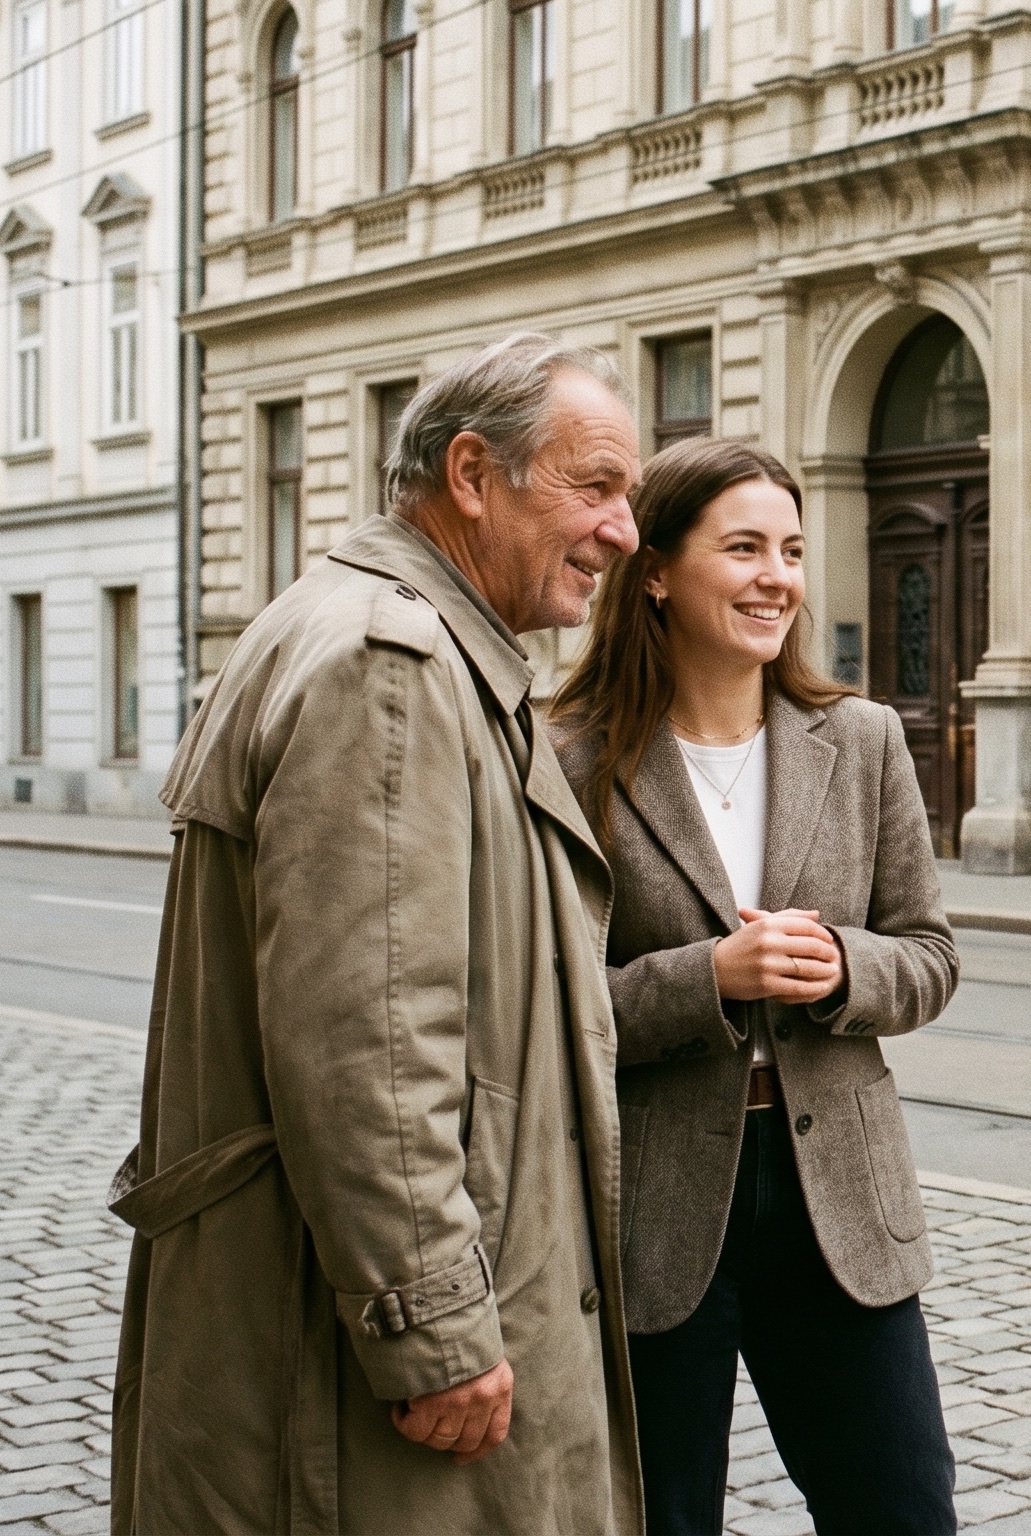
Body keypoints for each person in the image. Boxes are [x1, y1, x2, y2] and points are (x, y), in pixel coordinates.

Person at [109, 334, 647, 1535]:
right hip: (349, 1351)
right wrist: (434, 1323)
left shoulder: (386, 634)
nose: (622, 533)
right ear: (472, 474)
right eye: (597, 487)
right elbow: (369, 1039)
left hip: (320, 1303)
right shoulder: (389, 665)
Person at [555, 439, 958, 1536]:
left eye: (788, 548)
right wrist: (708, 979)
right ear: (654, 571)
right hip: (653, 1205)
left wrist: (842, 968)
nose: (777, 575)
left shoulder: (860, 740)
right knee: (661, 1516)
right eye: (741, 548)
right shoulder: (569, 758)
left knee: (902, 1512)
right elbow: (543, 1006)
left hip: (836, 1198)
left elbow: (928, 955)